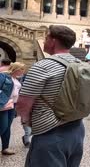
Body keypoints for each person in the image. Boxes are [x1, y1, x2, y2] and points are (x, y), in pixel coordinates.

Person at [17, 25, 85, 167]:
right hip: (77, 130)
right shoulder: (81, 65)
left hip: (50, 133)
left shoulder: (43, 66)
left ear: (53, 41)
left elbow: (23, 102)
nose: (43, 41)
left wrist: (26, 122)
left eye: (46, 37)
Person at [0, 62, 25, 155]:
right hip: (4, 104)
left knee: (7, 127)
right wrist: (3, 98)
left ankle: (5, 148)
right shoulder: (4, 76)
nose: (23, 71)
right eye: (21, 69)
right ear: (16, 69)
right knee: (3, 126)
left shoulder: (17, 79)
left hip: (12, 105)